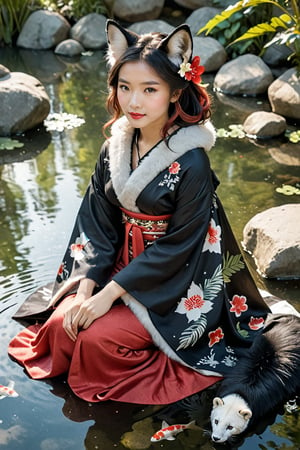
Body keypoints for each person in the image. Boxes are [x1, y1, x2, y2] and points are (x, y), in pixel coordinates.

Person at [8, 20, 270, 405]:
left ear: (175, 90)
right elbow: (96, 223)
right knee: (62, 327)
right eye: (124, 87)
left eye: (150, 89)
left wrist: (108, 296)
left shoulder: (192, 162)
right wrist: (86, 289)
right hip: (113, 264)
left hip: (172, 282)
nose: (133, 102)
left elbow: (180, 246)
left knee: (97, 341)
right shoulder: (114, 147)